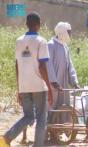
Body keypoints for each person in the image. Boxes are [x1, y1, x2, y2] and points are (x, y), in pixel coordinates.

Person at [0, 12, 53, 147]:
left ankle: (6, 138)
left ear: (26, 24)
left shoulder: (19, 41)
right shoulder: (41, 41)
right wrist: (49, 87)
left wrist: (19, 88)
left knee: (28, 116)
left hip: (24, 86)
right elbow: (42, 66)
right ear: (38, 25)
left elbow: (17, 65)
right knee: (41, 118)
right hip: (39, 86)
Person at [47, 22, 79, 117]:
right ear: (62, 32)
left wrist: (74, 81)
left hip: (63, 84)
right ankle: (47, 127)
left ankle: (58, 128)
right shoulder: (50, 45)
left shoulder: (65, 47)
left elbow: (70, 65)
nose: (70, 34)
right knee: (51, 104)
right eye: (68, 32)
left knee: (63, 105)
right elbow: (48, 65)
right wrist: (53, 81)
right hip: (53, 84)